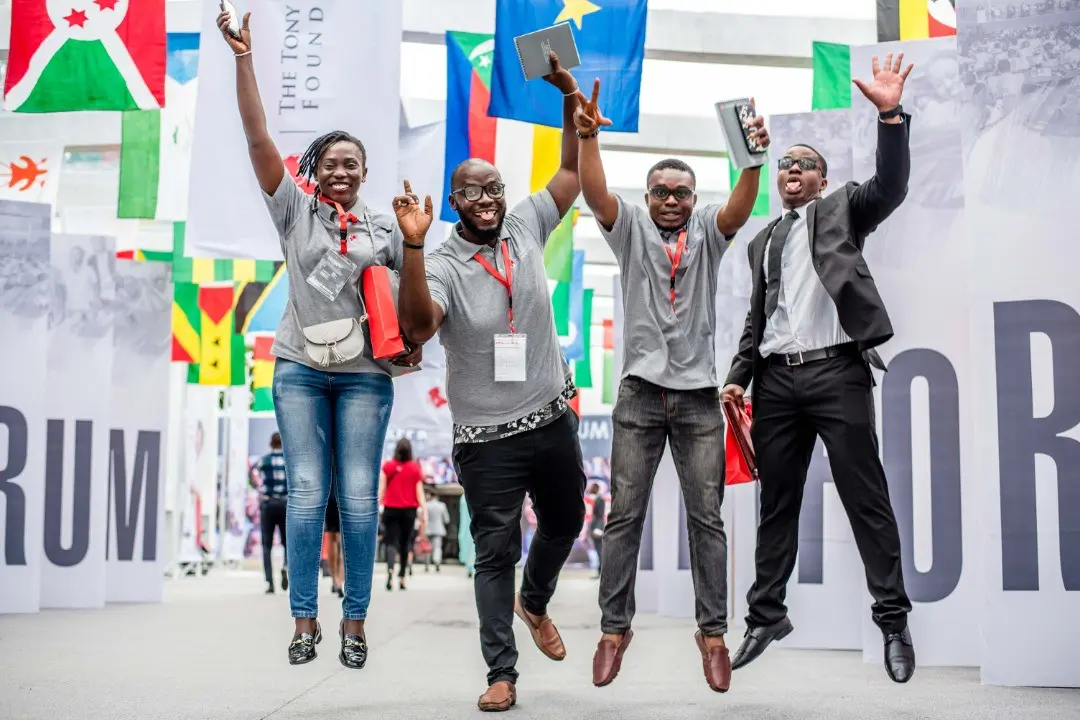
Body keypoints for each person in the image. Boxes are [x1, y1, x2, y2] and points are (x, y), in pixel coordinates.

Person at [216, 10, 421, 670]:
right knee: (307, 491)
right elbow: (256, 139)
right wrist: (245, 60)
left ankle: (353, 623)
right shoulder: (294, 208)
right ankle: (304, 620)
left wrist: (414, 246)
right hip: (300, 367)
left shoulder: (385, 227)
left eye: (351, 163)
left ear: (364, 172)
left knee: (358, 497)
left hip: (365, 374)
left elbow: (413, 304)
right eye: (330, 161)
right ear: (316, 168)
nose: (340, 170)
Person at [394, 55, 587, 713]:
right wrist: (414, 248)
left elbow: (569, 174)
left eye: (493, 189)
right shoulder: (443, 260)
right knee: (493, 552)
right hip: (487, 439)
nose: (486, 201)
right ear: (453, 203)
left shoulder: (527, 223)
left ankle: (535, 603)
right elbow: (419, 328)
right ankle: (501, 672)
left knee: (569, 518)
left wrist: (567, 100)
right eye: (472, 194)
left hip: (551, 415)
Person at [721, 53, 917, 684]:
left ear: (823, 178)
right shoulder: (761, 241)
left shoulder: (844, 210)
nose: (791, 173)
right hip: (777, 381)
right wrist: (738, 376)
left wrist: (890, 115)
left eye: (803, 164)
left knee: (867, 497)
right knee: (776, 504)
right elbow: (756, 322)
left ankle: (892, 618)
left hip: (837, 372)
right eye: (784, 166)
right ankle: (765, 615)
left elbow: (892, 186)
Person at [574, 81, 770, 693]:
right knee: (625, 515)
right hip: (637, 394)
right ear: (648, 195)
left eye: (681, 192)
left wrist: (752, 161)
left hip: (697, 398)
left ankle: (712, 634)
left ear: (693, 198)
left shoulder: (709, 230)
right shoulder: (628, 226)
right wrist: (588, 137)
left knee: (705, 518)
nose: (670, 200)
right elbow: (594, 191)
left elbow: (739, 206)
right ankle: (614, 629)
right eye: (660, 191)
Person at [379, 439, 427, 591]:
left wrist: (376, 507)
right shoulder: (414, 469)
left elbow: (381, 491)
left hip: (390, 509)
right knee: (405, 543)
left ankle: (390, 572)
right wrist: (424, 512)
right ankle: (402, 577)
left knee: (390, 542)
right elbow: (420, 494)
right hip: (408, 511)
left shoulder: (388, 466)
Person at [256, 433, 288, 595]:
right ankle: (286, 566)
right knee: (287, 542)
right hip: (285, 504)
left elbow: (256, 480)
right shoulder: (288, 461)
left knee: (267, 545)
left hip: (268, 504)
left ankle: (270, 582)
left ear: (270, 443)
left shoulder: (264, 461)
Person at [325, 481, 343, 598]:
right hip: (345, 491)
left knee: (332, 537)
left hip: (329, 492)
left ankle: (335, 579)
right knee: (343, 539)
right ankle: (340, 581)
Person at [424, 491, 451, 572]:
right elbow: (447, 519)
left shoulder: (426, 505)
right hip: (439, 529)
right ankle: (437, 562)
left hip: (427, 529)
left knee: (427, 548)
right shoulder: (442, 505)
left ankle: (427, 564)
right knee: (437, 548)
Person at [586, 482, 606, 580]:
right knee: (598, 550)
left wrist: (597, 529)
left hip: (597, 528)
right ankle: (600, 572)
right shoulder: (595, 499)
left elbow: (600, 516)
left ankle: (602, 572)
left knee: (599, 550)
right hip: (595, 527)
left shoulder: (600, 500)